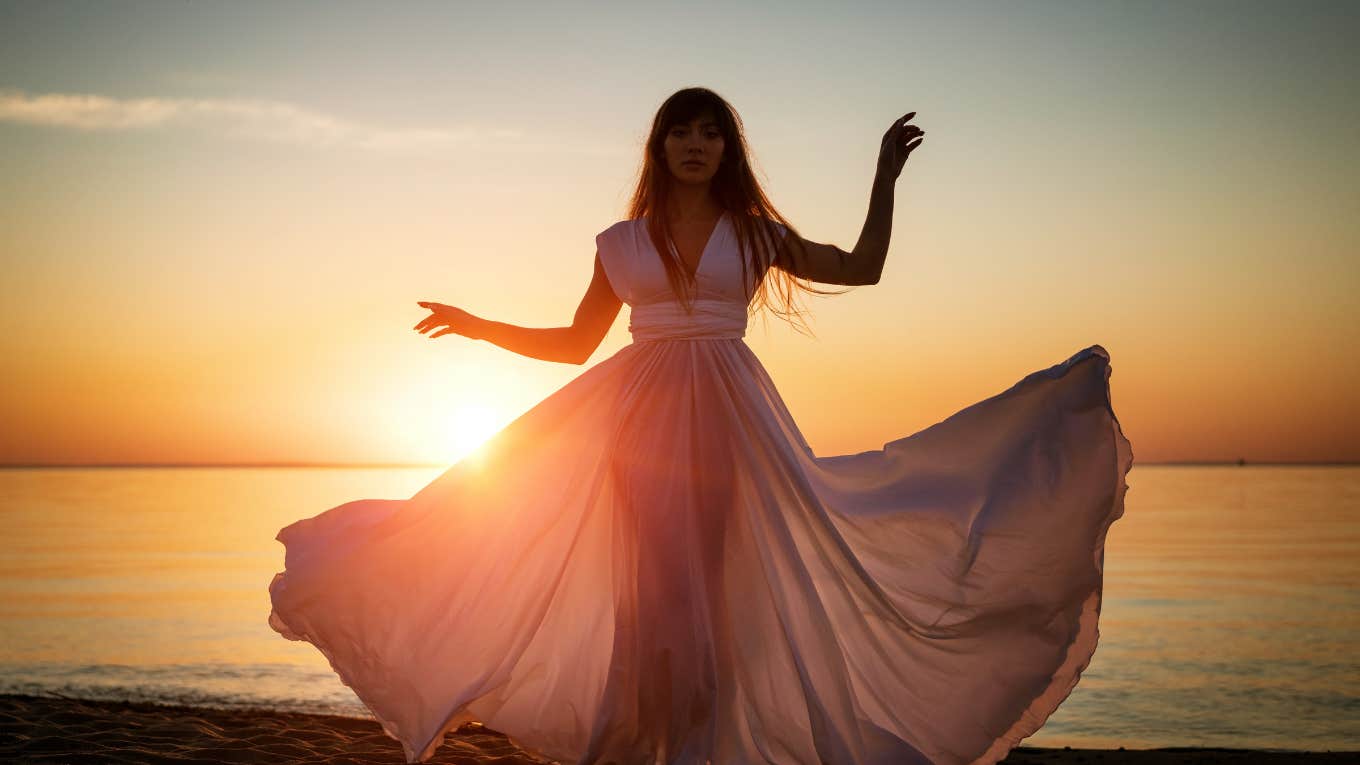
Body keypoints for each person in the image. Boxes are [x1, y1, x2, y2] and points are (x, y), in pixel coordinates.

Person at [269, 87, 1134, 765]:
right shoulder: (620, 241)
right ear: (660, 146)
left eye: (710, 133)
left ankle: (697, 738)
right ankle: (645, 737)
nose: (696, 144)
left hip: (730, 420)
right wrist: (478, 324)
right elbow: (576, 344)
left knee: (712, 591)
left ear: (727, 148)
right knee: (649, 590)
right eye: (682, 131)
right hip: (636, 422)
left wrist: (883, 177)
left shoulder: (753, 235)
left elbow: (862, 269)